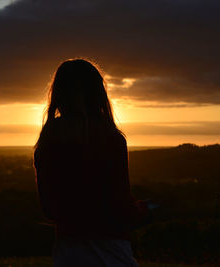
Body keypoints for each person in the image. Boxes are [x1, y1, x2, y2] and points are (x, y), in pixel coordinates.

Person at [33, 59, 152, 266]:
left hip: (67, 253)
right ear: (98, 94)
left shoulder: (49, 139)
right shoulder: (110, 138)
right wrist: (141, 212)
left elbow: (49, 209)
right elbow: (119, 204)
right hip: (111, 251)